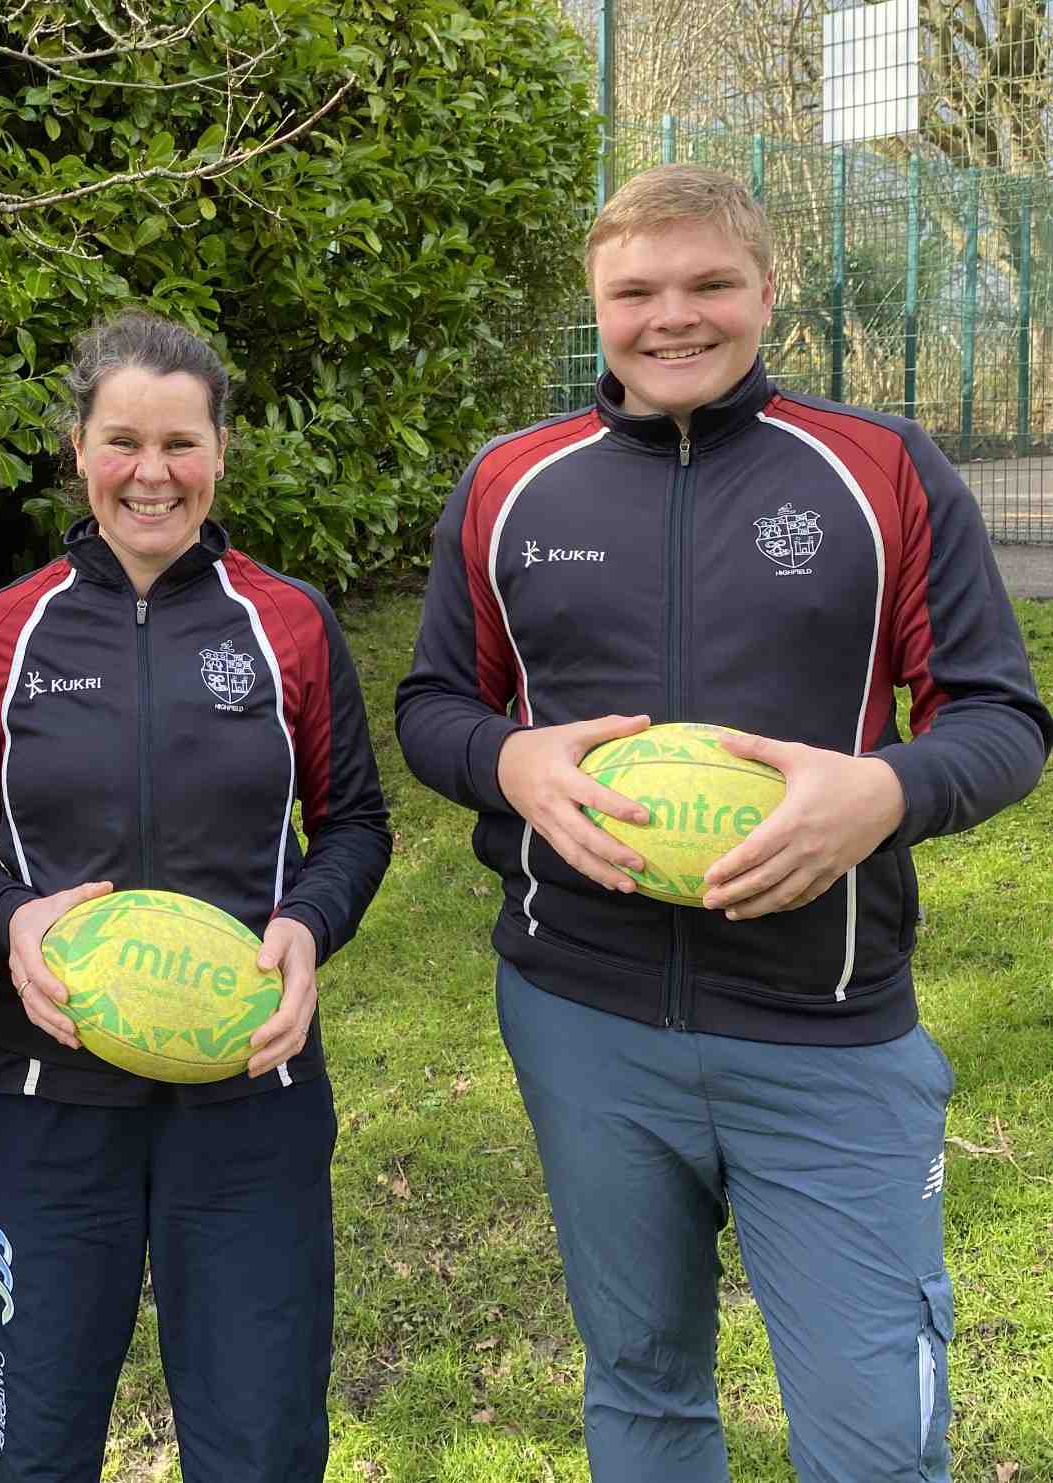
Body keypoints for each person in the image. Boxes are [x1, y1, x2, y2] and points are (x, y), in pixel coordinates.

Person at [396, 164, 1052, 1483]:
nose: (672, 317)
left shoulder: (881, 470)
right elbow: (432, 706)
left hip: (828, 1025)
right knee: (641, 1386)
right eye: (636, 290)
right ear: (598, 302)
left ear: (769, 287)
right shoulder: (513, 481)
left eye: (708, 283)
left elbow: (999, 716)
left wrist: (887, 791)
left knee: (874, 1435)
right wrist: (512, 763)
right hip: (584, 1016)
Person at [0, 310, 391, 1483]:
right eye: (122, 440)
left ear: (220, 450)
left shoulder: (287, 622)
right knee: (24, 1448)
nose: (151, 473)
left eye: (179, 442)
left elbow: (354, 826)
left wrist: (306, 925)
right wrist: (9, 915)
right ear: (77, 447)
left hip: (250, 1090)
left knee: (259, 1445)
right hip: (43, 1093)